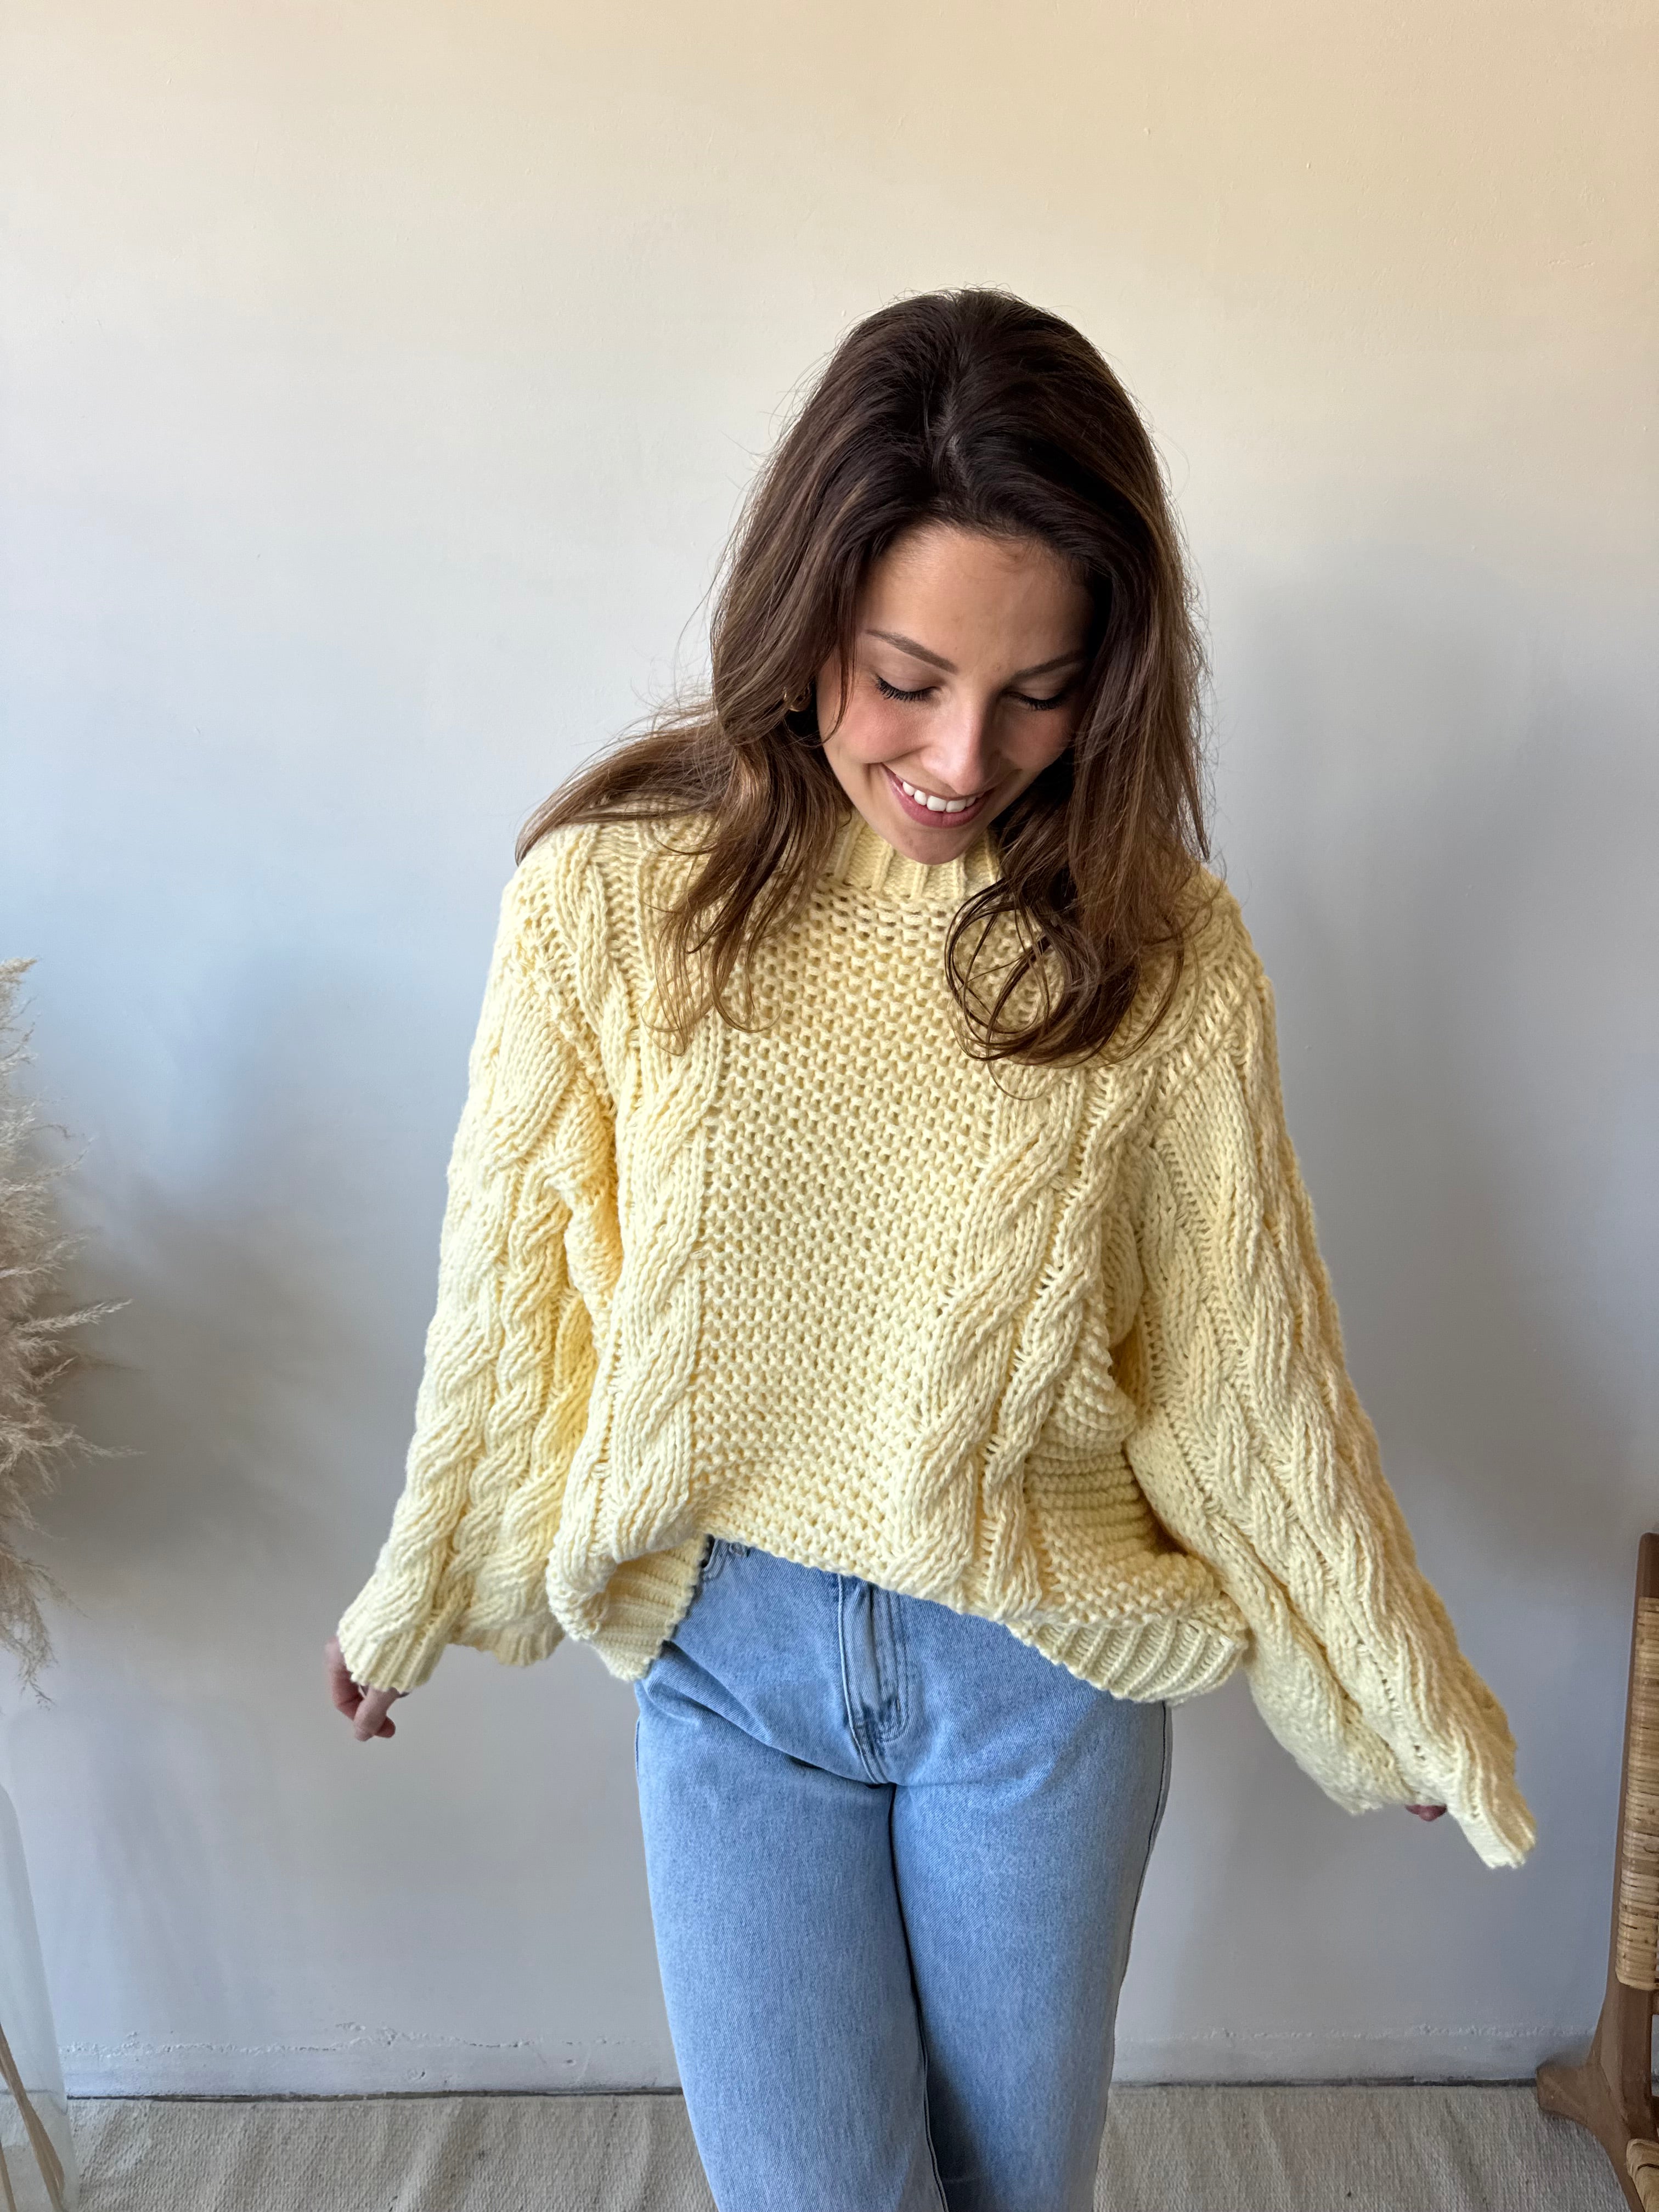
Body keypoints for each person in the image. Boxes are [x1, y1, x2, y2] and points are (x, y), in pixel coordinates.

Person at [325, 287, 1535, 2212]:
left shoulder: (1161, 952)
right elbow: (518, 1288)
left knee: (1009, 2193)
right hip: (731, 1670)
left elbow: (1237, 1367)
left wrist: (1370, 1678)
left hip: (1035, 1684)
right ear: (803, 613)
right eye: (906, 676)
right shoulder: (607, 900)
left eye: (1040, 691)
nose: (967, 756)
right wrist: (426, 1582)